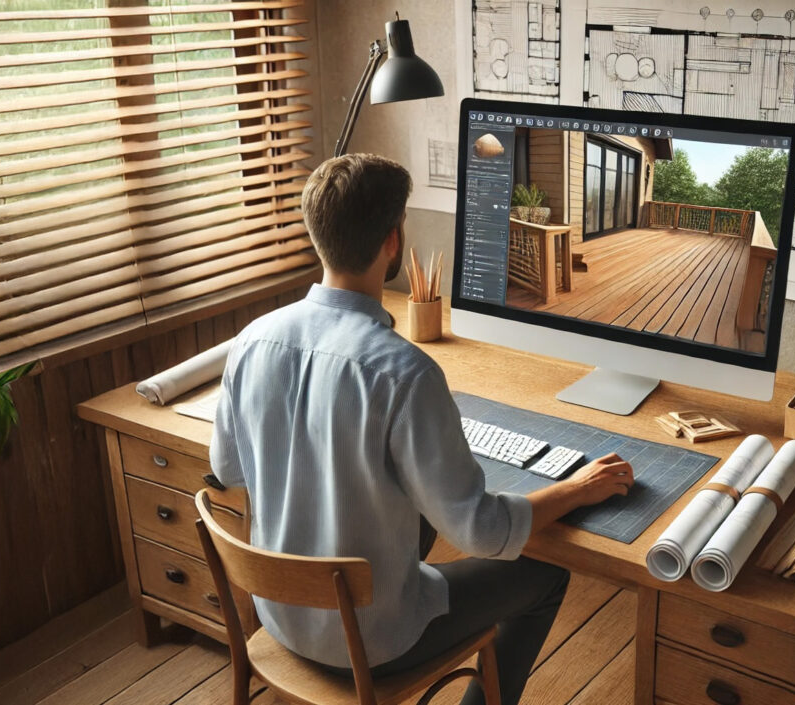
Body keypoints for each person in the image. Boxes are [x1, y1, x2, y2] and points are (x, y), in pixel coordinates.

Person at [210, 153, 634, 705]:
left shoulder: (252, 340)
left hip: (278, 618)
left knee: (416, 512)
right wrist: (578, 488)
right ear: (393, 240)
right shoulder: (405, 374)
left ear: (317, 234)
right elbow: (481, 531)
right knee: (546, 575)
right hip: (369, 641)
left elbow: (227, 469)